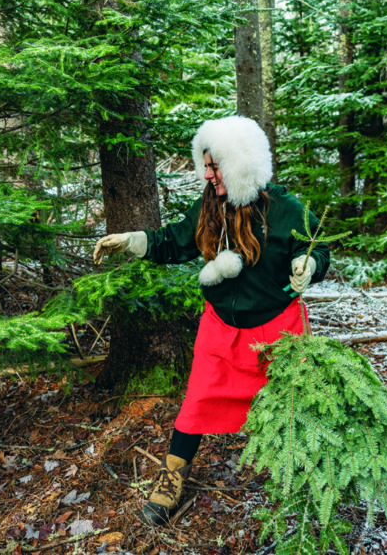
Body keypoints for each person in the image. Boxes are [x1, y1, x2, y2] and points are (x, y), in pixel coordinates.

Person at [93, 115, 330, 525]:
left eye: (214, 166)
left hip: (277, 329)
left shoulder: (287, 209)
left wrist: (308, 265)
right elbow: (174, 240)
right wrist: (131, 241)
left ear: (239, 164)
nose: (207, 174)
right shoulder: (209, 205)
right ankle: (170, 482)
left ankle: (308, 480)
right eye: (205, 165)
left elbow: (317, 245)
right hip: (220, 329)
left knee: (293, 407)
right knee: (197, 401)